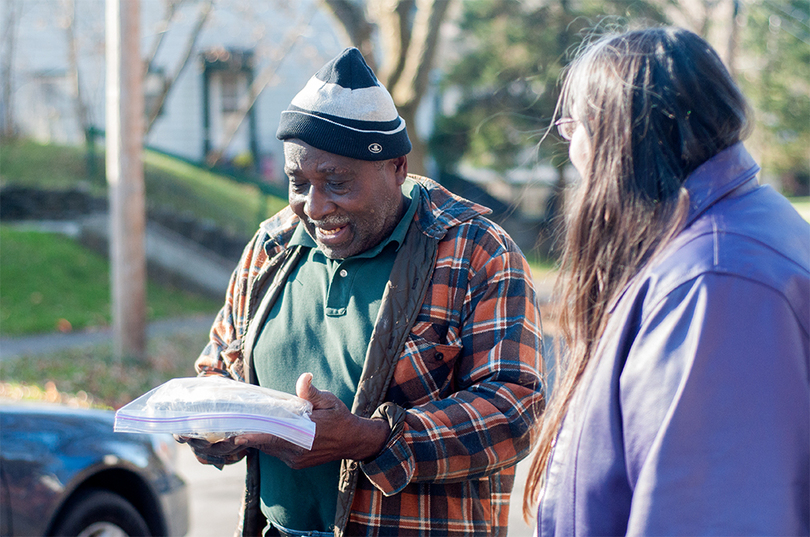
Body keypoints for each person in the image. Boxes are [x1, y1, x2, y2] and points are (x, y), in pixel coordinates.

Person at [180, 47, 545, 537]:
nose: (313, 206)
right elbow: (218, 365)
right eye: (298, 182)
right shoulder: (271, 245)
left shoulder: (476, 252)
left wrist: (372, 439)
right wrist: (211, 425)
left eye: (337, 183)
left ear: (396, 166)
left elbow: (514, 409)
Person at [524, 26, 810, 536]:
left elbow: (710, 518)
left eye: (574, 130)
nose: (572, 152)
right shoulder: (708, 245)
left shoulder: (717, 282)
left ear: (619, 135)